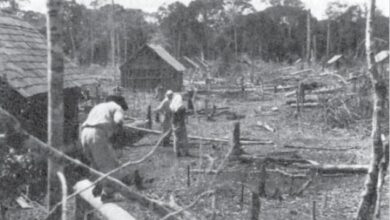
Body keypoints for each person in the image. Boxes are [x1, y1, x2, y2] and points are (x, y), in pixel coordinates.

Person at [80, 95, 137, 201]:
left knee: (95, 164)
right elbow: (118, 121)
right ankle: (108, 194)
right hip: (97, 134)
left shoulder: (99, 106)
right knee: (108, 166)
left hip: (84, 133)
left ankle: (96, 188)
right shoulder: (116, 107)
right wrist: (119, 139)